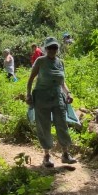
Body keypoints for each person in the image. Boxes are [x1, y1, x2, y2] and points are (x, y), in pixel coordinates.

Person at [26, 36, 77, 168]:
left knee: (62, 123)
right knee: (44, 125)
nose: (52, 50)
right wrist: (28, 94)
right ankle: (47, 156)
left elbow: (62, 82)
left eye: (54, 47)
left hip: (57, 97)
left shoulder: (60, 62)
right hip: (41, 97)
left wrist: (68, 93)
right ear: (45, 49)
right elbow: (31, 79)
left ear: (57, 49)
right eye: (50, 47)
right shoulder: (40, 61)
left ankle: (65, 154)